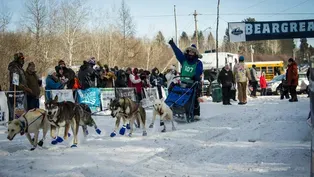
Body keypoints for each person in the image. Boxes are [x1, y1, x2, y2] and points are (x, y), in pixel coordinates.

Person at [168, 39, 203, 120]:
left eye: (192, 52)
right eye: (189, 52)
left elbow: (199, 70)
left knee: (193, 96)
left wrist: (196, 76)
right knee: (174, 91)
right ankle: (174, 108)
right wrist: (172, 44)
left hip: (193, 83)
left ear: (195, 53)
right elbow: (178, 53)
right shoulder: (184, 60)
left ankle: (196, 113)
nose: (191, 53)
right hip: (183, 82)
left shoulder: (198, 63)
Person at [7, 52, 32, 121]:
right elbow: (15, 82)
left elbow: (23, 81)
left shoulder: (20, 68)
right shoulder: (14, 68)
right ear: (17, 59)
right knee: (16, 112)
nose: (23, 60)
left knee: (22, 112)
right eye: (21, 58)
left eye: (23, 58)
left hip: (21, 93)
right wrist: (25, 88)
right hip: (16, 93)